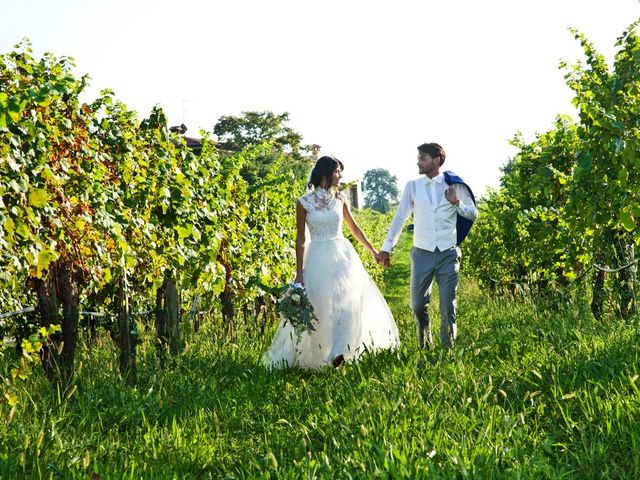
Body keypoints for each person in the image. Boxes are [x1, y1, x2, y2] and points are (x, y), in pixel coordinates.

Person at [263, 156, 400, 370]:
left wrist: (373, 250)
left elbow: (354, 228)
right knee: (320, 306)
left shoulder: (341, 198)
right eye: (337, 171)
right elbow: (300, 239)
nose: (340, 175)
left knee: (346, 302)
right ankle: (317, 355)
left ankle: (339, 351)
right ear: (325, 172)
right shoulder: (304, 202)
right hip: (317, 255)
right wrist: (299, 273)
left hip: (342, 255)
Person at [378, 143, 477, 350]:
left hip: (448, 253)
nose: (418, 162)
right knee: (417, 304)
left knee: (447, 305)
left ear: (436, 160)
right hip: (422, 253)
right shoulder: (412, 186)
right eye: (419, 158)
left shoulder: (455, 186)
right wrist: (387, 247)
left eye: (422, 158)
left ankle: (448, 350)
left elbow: (473, 214)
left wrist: (456, 202)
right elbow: (399, 219)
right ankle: (425, 343)